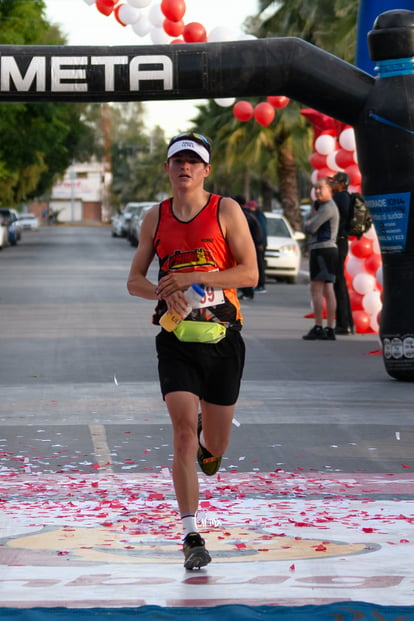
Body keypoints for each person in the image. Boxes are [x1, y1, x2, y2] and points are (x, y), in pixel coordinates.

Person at [127, 131, 258, 570]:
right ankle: (191, 535)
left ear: (206, 170)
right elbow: (135, 281)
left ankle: (210, 438)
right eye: (176, 160)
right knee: (181, 433)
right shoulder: (155, 218)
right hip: (176, 340)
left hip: (223, 340)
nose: (184, 167)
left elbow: (250, 273)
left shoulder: (226, 210)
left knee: (213, 447)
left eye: (192, 161)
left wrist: (193, 281)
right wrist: (161, 296)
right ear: (167, 168)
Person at [303, 177, 339, 341]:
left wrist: (309, 221)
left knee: (317, 289)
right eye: (315, 188)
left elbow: (311, 227)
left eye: (320, 188)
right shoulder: (325, 207)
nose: (317, 191)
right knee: (328, 289)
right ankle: (329, 328)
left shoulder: (327, 207)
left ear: (330, 190)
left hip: (322, 250)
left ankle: (319, 326)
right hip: (328, 250)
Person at [329, 172, 355, 335]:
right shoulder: (345, 197)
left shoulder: (339, 198)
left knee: (338, 282)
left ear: (342, 183)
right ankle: (347, 322)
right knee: (340, 282)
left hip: (339, 241)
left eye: (335, 182)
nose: (332, 184)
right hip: (342, 240)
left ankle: (343, 323)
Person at [233, 195, 261, 300]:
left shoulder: (242, 214)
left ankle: (248, 292)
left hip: (248, 246)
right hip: (252, 245)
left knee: (245, 269)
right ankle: (246, 292)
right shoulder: (249, 214)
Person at [246, 200, 268, 293]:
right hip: (257, 244)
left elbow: (262, 230)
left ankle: (261, 285)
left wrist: (260, 243)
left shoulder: (258, 216)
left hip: (259, 244)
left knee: (260, 264)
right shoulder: (257, 215)